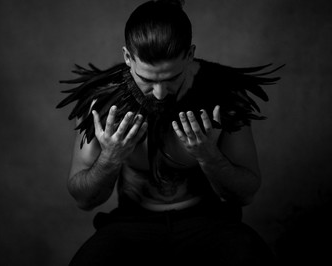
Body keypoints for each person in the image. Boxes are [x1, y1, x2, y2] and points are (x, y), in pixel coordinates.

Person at [57, 0, 283, 265]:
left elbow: (245, 194)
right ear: (128, 58)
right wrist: (111, 157)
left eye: (171, 78)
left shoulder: (223, 97)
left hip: (208, 221)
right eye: (148, 80)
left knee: (251, 256)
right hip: (131, 224)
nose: (160, 93)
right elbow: (83, 200)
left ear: (189, 55)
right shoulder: (105, 103)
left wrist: (208, 156)